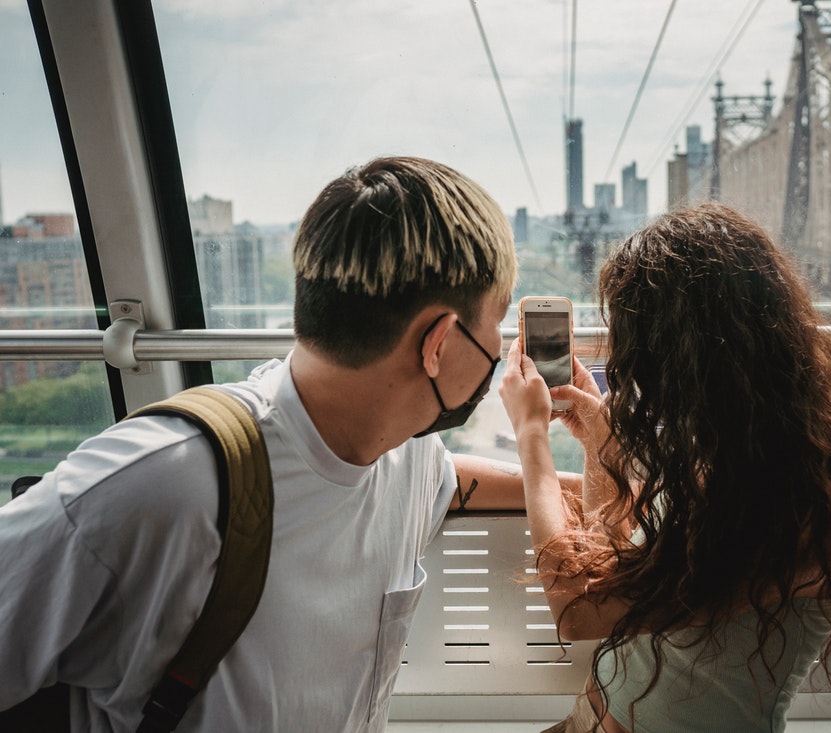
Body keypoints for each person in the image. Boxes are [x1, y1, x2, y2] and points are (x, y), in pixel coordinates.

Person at [0, 156, 541, 731]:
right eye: (497, 322)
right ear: (438, 342)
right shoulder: (157, 487)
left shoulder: (403, 454)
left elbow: (450, 480)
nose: (501, 346)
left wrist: (601, 487)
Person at [500, 203, 831, 732]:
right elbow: (614, 557)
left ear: (692, 356)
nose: (636, 371)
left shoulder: (801, 512)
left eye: (644, 349)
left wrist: (531, 436)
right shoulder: (719, 462)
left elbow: (579, 610)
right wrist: (600, 449)